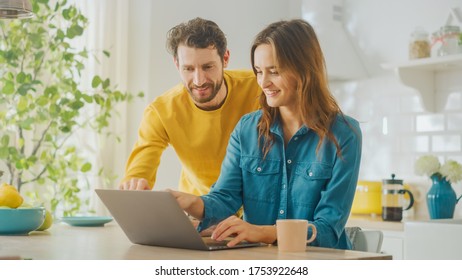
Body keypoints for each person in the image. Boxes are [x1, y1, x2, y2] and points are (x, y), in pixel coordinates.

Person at [170, 19, 362, 249]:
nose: (263, 82)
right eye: (259, 71)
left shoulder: (344, 134)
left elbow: (327, 230)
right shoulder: (247, 130)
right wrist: (190, 202)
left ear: (304, 68)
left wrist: (262, 232)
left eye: (274, 71)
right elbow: (224, 199)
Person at [119, 18, 260, 194]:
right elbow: (140, 167)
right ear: (177, 64)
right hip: (200, 210)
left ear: (225, 59)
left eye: (208, 67)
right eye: (188, 69)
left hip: (256, 210)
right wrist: (135, 182)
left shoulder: (259, 87)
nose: (199, 80)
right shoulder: (161, 111)